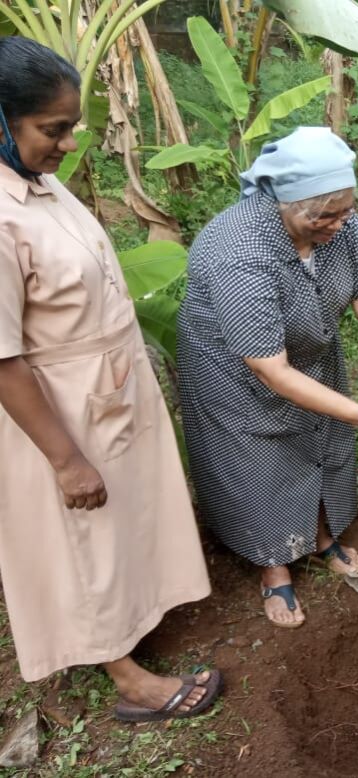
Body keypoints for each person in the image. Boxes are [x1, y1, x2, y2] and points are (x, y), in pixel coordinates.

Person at [0, 37, 222, 721]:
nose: (68, 143)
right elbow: (2, 358)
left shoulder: (38, 183)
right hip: (53, 410)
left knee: (118, 519)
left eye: (70, 126)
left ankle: (133, 620)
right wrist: (65, 460)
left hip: (102, 387)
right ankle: (127, 677)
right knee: (80, 540)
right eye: (52, 129)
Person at [177, 127, 358, 629]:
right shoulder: (241, 249)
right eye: (323, 216)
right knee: (257, 464)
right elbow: (271, 369)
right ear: (283, 202)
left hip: (310, 353)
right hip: (235, 372)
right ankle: (273, 565)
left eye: (345, 211)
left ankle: (318, 535)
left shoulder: (342, 225)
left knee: (320, 441)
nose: (337, 224)